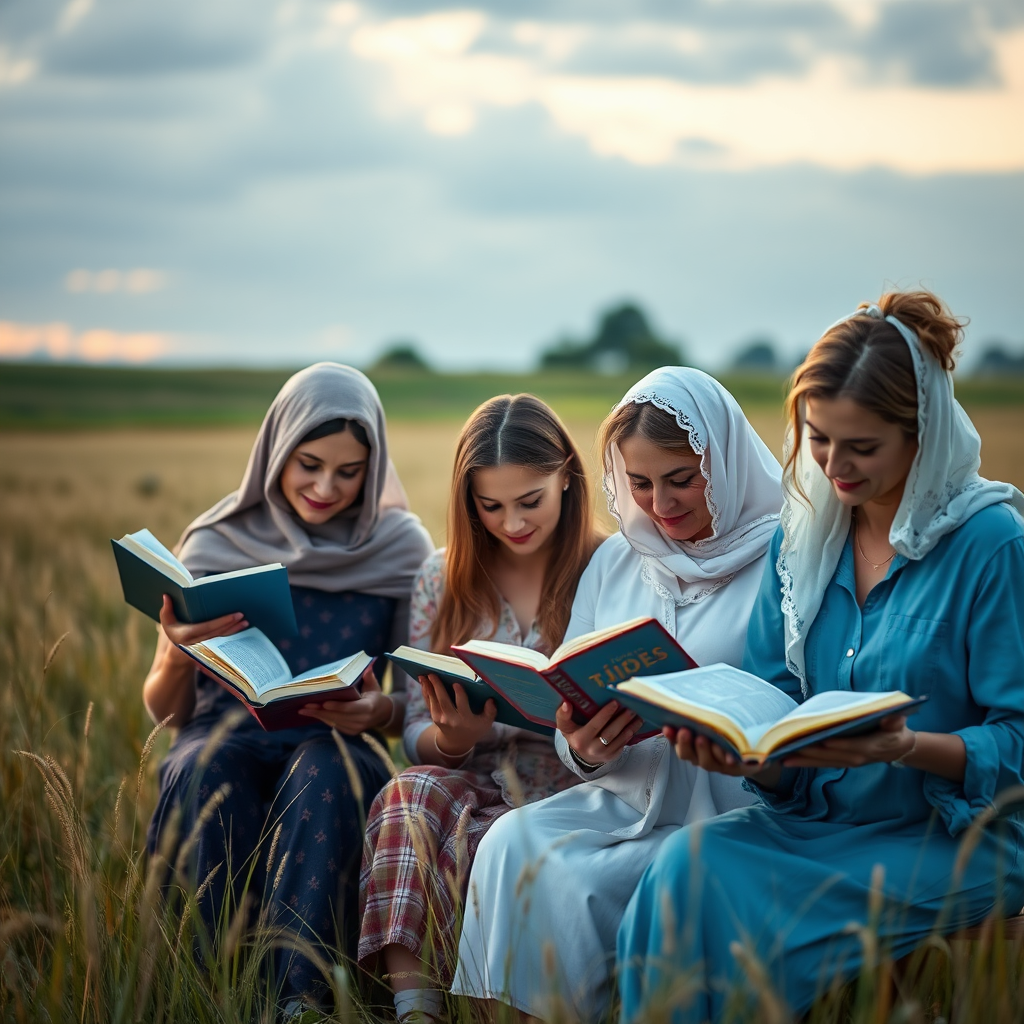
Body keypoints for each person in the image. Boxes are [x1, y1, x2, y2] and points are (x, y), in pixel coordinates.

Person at [618, 292, 1024, 1023]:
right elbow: (775, 706)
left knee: (758, 931)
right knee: (680, 869)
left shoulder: (991, 545)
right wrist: (745, 756)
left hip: (953, 837)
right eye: (818, 439)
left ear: (921, 435)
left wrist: (908, 749)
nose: (833, 465)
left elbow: (1019, 738)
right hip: (822, 822)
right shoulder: (801, 539)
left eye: (861, 446)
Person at [450, 367, 784, 1021]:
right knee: (509, 843)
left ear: (725, 462)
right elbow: (568, 709)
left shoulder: (785, 560)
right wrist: (582, 746)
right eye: (640, 483)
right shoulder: (618, 559)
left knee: (584, 882)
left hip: (728, 804)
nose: (660, 504)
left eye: (681, 479)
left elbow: (798, 701)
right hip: (622, 793)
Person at [143, 362, 434, 1014]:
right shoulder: (215, 542)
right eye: (308, 463)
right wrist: (172, 653)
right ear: (276, 448)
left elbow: (410, 704)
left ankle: (302, 998)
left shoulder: (399, 546)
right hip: (224, 731)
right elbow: (168, 714)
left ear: (374, 466)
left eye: (349, 470)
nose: (326, 486)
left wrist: (376, 709)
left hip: (338, 738)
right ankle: (206, 984)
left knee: (326, 773)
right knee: (201, 768)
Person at [357, 394, 603, 1024]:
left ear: (567, 482)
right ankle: (418, 1009)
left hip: (574, 790)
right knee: (405, 795)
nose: (512, 524)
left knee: (487, 841)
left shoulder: (610, 564)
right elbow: (414, 729)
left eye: (531, 502)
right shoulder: (443, 577)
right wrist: (455, 739)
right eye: (490, 507)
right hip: (475, 778)